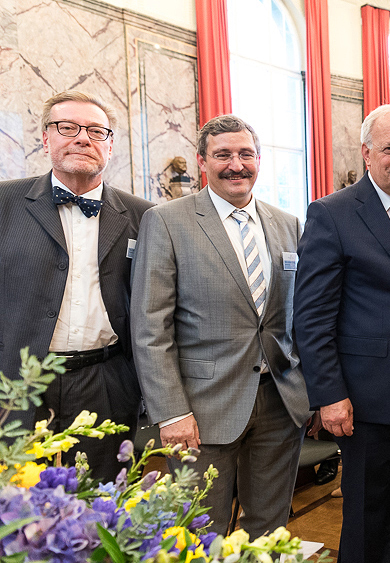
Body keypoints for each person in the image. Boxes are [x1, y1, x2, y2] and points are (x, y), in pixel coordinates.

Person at [130, 114, 312, 538]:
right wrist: (171, 411)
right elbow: (150, 326)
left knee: (269, 528)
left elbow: (297, 316)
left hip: (279, 404)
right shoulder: (166, 221)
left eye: (245, 154)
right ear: (202, 161)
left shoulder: (288, 224)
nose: (236, 164)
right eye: (223, 155)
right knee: (199, 529)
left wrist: (309, 390)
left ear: (259, 160)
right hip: (200, 409)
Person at [294, 105, 390, 563]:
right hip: (364, 401)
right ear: (367, 154)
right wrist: (328, 394)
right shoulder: (333, 214)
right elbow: (311, 316)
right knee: (367, 519)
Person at [0, 90, 153, 482]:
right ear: (46, 137)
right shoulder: (5, 203)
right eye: (67, 127)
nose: (82, 138)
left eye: (96, 131)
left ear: (111, 144)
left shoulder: (145, 217)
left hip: (106, 383)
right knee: (20, 512)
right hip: (19, 383)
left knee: (102, 505)